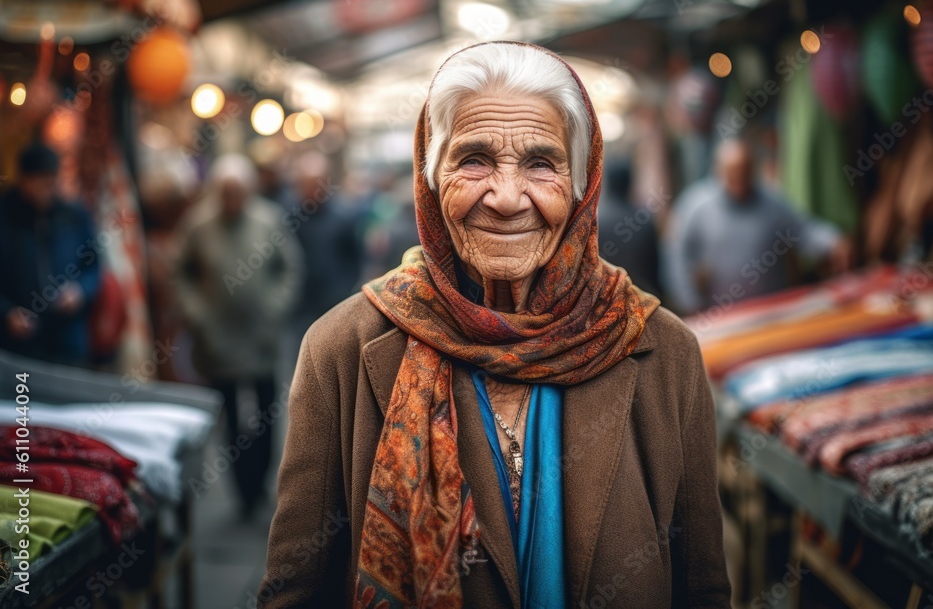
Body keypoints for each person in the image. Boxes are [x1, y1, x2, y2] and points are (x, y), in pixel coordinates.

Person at [259, 42, 731, 607]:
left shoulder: (660, 349)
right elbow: (295, 592)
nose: (507, 198)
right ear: (431, 178)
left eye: (541, 164)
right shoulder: (341, 348)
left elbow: (701, 587)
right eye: (474, 159)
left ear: (583, 186)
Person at [174, 153, 303, 519]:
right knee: (229, 418)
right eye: (226, 192)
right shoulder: (198, 224)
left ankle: (262, 481)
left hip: (260, 338)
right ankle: (241, 489)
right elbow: (180, 273)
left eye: (239, 191)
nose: (233, 199)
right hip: (217, 341)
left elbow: (290, 268)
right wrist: (197, 314)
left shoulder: (268, 220)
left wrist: (275, 308)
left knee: (265, 413)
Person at [665, 138, 852, 314]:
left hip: (773, 311)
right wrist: (689, 302)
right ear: (719, 170)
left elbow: (804, 230)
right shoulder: (695, 207)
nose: (739, 178)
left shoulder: (772, 203)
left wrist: (832, 240)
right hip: (720, 316)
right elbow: (677, 255)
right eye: (733, 172)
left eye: (744, 171)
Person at [0, 144, 100, 365]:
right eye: (42, 183)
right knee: (21, 396)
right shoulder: (5, 216)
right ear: (25, 180)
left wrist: (80, 290)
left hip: (68, 340)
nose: (49, 189)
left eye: (53, 181)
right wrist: (7, 313)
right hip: (17, 344)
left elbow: (93, 265)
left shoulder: (74, 216)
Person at [288, 150, 363, 341]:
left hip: (333, 304)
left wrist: (344, 290)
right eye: (307, 184)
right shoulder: (290, 216)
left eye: (316, 184)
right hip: (300, 307)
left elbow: (356, 257)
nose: (312, 190)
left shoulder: (343, 215)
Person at [598, 163, 663, 298]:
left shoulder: (598, 220)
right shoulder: (644, 218)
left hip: (607, 298)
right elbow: (655, 266)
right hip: (643, 298)